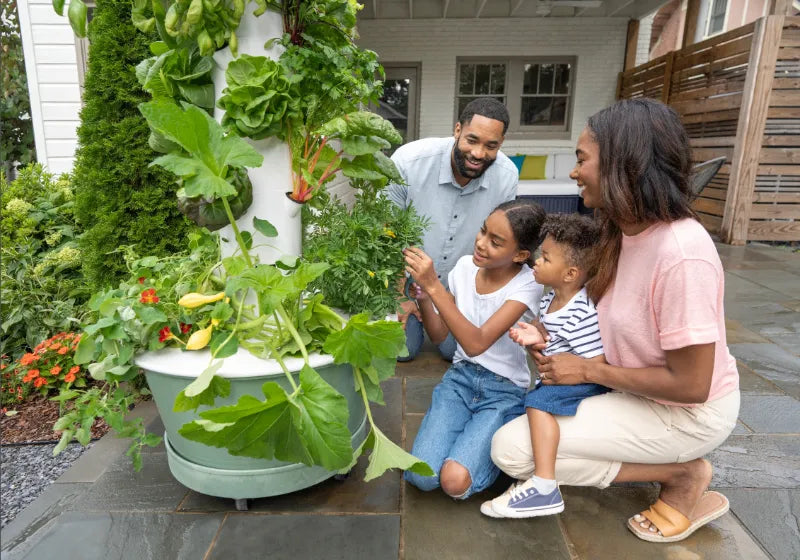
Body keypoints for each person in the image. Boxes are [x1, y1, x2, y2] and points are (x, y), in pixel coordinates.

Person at [487, 98, 740, 543]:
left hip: (687, 413)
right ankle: (674, 468)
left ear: (624, 165)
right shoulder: (621, 233)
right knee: (510, 446)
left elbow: (692, 385)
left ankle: (683, 474)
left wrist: (585, 370)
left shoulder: (682, 255)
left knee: (514, 450)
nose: (573, 171)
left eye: (582, 159)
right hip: (629, 389)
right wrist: (548, 338)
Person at [402, 200, 545, 499]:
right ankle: (476, 447)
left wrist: (434, 287)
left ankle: (503, 458)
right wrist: (426, 298)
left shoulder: (527, 285)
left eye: (495, 242)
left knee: (453, 482)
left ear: (520, 255)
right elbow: (441, 334)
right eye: (483, 231)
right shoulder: (464, 268)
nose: (480, 243)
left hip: (503, 392)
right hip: (459, 380)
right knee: (421, 476)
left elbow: (476, 343)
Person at [483, 213, 609, 518]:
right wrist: (534, 333)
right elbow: (546, 328)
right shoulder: (550, 297)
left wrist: (558, 362)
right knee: (534, 400)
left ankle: (544, 483)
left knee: (537, 404)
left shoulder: (582, 312)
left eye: (546, 258)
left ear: (570, 274)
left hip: (585, 382)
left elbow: (596, 362)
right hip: (558, 374)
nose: (536, 262)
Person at [386, 98, 519, 362]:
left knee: (451, 351)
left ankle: (435, 317)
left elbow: (499, 247)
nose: (479, 153)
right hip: (407, 281)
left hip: (460, 287)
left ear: (500, 144)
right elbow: (385, 233)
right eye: (472, 140)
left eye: (490, 146)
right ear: (457, 130)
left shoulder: (506, 177)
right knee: (403, 351)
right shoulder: (408, 162)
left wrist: (470, 301)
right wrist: (399, 295)